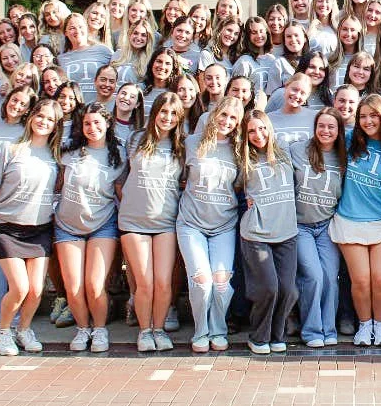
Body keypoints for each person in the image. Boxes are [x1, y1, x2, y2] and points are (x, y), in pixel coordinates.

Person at [0, 98, 63, 356]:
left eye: (50, 119)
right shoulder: (9, 149)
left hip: (40, 228)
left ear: (56, 126)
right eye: (41, 116)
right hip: (5, 226)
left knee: (36, 290)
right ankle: (3, 331)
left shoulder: (55, 155)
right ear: (31, 116)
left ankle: (23, 329)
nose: (44, 122)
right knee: (20, 287)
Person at [54, 102, 126, 353]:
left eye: (97, 122)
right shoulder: (69, 152)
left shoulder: (118, 154)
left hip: (102, 224)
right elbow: (57, 185)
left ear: (107, 124)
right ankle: (83, 328)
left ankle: (99, 329)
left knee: (95, 284)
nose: (92, 127)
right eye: (87, 123)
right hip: (67, 225)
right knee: (73, 286)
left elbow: (121, 193)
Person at [119, 92, 187, 353]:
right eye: (163, 112)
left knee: (163, 282)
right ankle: (145, 330)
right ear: (154, 113)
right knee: (144, 282)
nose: (167, 118)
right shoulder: (136, 139)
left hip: (166, 221)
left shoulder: (181, 145)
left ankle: (158, 329)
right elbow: (120, 177)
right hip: (134, 221)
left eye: (173, 114)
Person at [331, 94, 381, 346]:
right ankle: (365, 325)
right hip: (350, 218)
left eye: (374, 115)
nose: (368, 121)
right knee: (360, 279)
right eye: (363, 116)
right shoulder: (349, 140)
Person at [178, 96, 243, 353]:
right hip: (191, 223)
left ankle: (218, 329)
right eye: (223, 115)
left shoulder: (239, 150)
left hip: (224, 225)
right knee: (202, 282)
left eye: (233, 118)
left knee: (221, 283)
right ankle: (201, 330)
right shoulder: (192, 143)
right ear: (213, 114)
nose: (226, 121)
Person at [237, 110, 300, 354]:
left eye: (262, 128)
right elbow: (232, 184)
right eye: (251, 130)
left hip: (287, 231)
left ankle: (277, 335)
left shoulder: (285, 152)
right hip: (256, 233)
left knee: (288, 289)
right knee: (269, 287)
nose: (258, 134)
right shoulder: (243, 159)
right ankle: (258, 336)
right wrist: (246, 198)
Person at [291, 108, 346, 348]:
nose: (325, 131)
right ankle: (312, 331)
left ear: (338, 131)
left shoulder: (343, 157)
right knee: (313, 276)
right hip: (300, 225)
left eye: (331, 127)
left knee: (330, 277)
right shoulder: (297, 151)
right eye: (321, 126)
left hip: (327, 225)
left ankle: (328, 328)